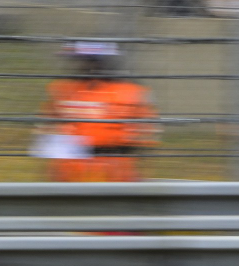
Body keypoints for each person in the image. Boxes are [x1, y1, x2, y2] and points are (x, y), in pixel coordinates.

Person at [36, 42, 158, 182]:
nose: (84, 66)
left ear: (103, 63)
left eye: (89, 61)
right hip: (70, 170)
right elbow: (48, 128)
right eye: (81, 61)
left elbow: (145, 135)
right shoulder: (62, 90)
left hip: (116, 170)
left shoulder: (131, 92)